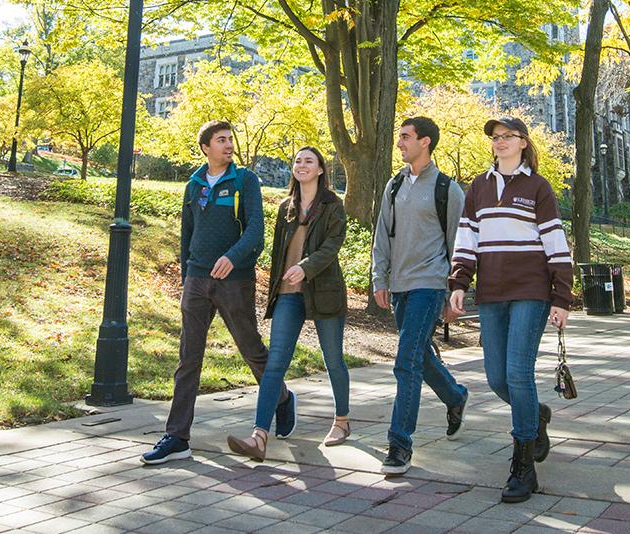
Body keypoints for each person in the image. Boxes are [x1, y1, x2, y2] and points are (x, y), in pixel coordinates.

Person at [141, 120, 294, 465]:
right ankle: (177, 437)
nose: (228, 145)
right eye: (221, 140)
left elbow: (256, 231)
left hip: (234, 280)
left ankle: (281, 397)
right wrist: (186, 275)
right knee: (188, 358)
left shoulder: (244, 180)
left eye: (230, 139)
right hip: (197, 279)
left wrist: (232, 258)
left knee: (251, 349)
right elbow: (187, 234)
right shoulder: (194, 185)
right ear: (206, 147)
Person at [449, 116, 573, 503]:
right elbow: (466, 236)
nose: (499, 142)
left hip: (531, 291)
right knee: (496, 377)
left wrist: (562, 297)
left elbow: (554, 241)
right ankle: (536, 417)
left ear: (523, 142)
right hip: (491, 293)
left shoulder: (538, 186)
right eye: (495, 137)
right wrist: (458, 283)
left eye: (508, 136)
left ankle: (523, 467)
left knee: (518, 374)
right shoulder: (479, 187)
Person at [227, 146, 350, 461]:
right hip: (288, 293)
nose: (302, 165)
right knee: (275, 364)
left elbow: (332, 246)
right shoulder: (286, 207)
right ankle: (259, 436)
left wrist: (305, 267)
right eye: (297, 160)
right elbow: (280, 253)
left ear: (321, 169)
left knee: (333, 359)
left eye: (309, 160)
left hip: (323, 291)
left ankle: (342, 421)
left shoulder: (333, 206)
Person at [372, 117, 470, 475]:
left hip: (430, 284)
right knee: (419, 357)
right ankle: (456, 396)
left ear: (425, 142)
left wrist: (455, 291)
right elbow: (381, 233)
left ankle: (399, 444)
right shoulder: (394, 185)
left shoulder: (448, 189)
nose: (399, 143)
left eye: (405, 137)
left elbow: (459, 245)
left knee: (405, 361)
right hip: (398, 285)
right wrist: (378, 278)